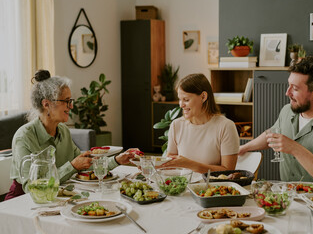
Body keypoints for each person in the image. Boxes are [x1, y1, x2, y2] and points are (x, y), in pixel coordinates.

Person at [5, 70, 135, 200]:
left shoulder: (63, 130)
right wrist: (72, 167)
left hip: (57, 197)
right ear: (46, 104)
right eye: (66, 101)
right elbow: (30, 188)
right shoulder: (24, 137)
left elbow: (83, 164)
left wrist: (117, 160)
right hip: (24, 201)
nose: (71, 106)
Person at [238, 56, 313, 191]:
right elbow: (272, 134)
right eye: (289, 85)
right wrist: (244, 148)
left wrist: (294, 148)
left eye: (295, 88)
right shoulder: (288, 110)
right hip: (294, 198)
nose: (287, 92)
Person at [160, 73, 239, 173]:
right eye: (180, 99)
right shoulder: (176, 125)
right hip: (183, 186)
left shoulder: (225, 126)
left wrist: (190, 165)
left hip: (212, 187)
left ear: (203, 96)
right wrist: (146, 164)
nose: (181, 105)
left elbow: (228, 171)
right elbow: (170, 165)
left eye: (186, 99)